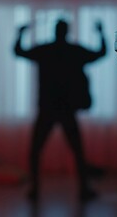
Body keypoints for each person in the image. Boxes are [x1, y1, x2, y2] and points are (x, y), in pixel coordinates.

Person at [14, 19, 106, 201]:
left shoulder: (45, 51)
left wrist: (20, 33)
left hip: (47, 107)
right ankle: (83, 189)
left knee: (36, 150)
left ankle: (35, 189)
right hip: (66, 108)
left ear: (55, 31)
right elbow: (101, 53)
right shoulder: (74, 51)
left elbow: (19, 51)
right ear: (66, 31)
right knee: (77, 150)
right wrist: (101, 33)